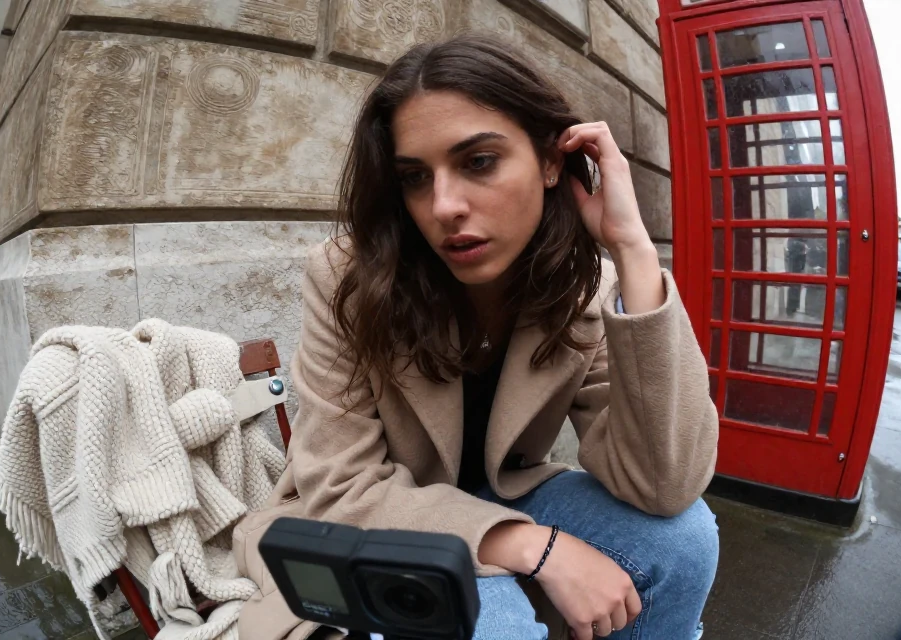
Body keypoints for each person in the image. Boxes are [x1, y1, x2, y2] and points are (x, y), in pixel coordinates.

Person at [234, 34, 719, 640]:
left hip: (503, 494)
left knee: (685, 539)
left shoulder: (583, 289)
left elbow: (663, 484)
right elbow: (339, 488)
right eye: (415, 177)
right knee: (491, 626)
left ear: (550, 161)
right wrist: (531, 545)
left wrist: (634, 253)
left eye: (478, 161)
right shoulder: (350, 280)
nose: (444, 206)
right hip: (383, 520)